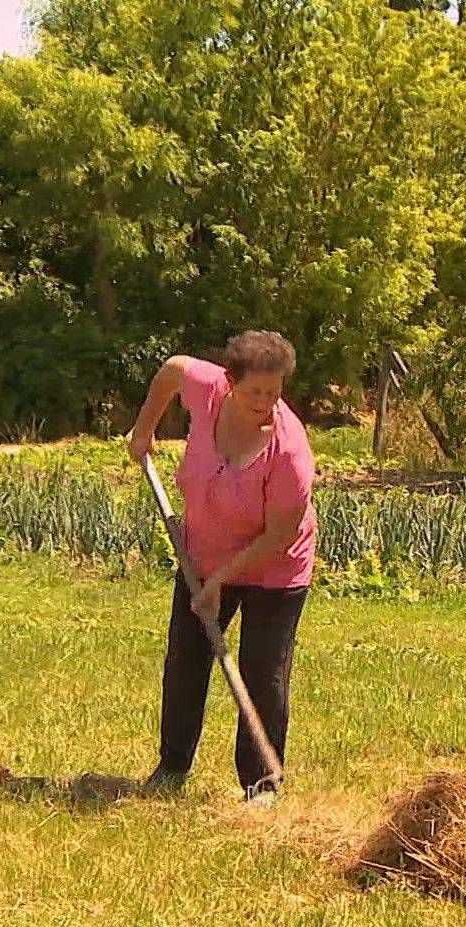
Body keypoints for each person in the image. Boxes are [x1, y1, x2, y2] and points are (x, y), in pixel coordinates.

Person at [126, 331, 317, 803]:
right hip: (203, 555)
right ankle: (171, 768)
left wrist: (221, 582)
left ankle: (261, 786)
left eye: (275, 392)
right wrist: (144, 429)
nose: (267, 402)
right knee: (185, 662)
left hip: (275, 570)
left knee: (262, 673)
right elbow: (171, 369)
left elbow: (280, 535)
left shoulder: (290, 450)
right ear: (230, 381)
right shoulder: (206, 388)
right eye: (256, 391)